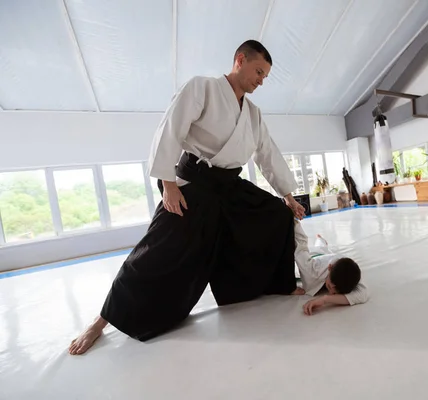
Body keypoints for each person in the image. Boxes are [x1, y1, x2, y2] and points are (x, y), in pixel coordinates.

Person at [69, 40, 306, 355]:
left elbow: (267, 154)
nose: (261, 80)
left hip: (229, 186)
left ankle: (278, 284)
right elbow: (171, 130)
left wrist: (288, 195)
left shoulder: (252, 113)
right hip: (194, 182)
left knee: (275, 214)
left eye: (265, 76)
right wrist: (168, 184)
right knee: (156, 252)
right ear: (240, 60)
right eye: (259, 71)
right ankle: (102, 320)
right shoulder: (202, 88)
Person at [293, 220, 369, 315]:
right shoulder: (313, 270)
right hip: (316, 256)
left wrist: (325, 299)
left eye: (335, 293)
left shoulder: (350, 273)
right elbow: (301, 248)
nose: (331, 292)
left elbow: (363, 295)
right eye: (329, 286)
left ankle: (321, 241)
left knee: (324, 249)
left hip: (331, 256)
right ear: (330, 268)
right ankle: (321, 241)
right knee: (319, 249)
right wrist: (295, 223)